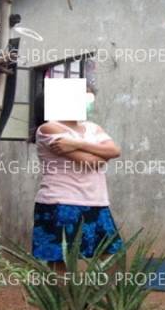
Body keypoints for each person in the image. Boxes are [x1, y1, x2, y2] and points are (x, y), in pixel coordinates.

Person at [32, 89, 123, 262]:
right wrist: (102, 153)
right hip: (61, 203)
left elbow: (115, 150)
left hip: (96, 201)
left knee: (112, 255)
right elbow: (91, 161)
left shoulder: (93, 128)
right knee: (62, 261)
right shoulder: (49, 128)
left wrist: (76, 143)